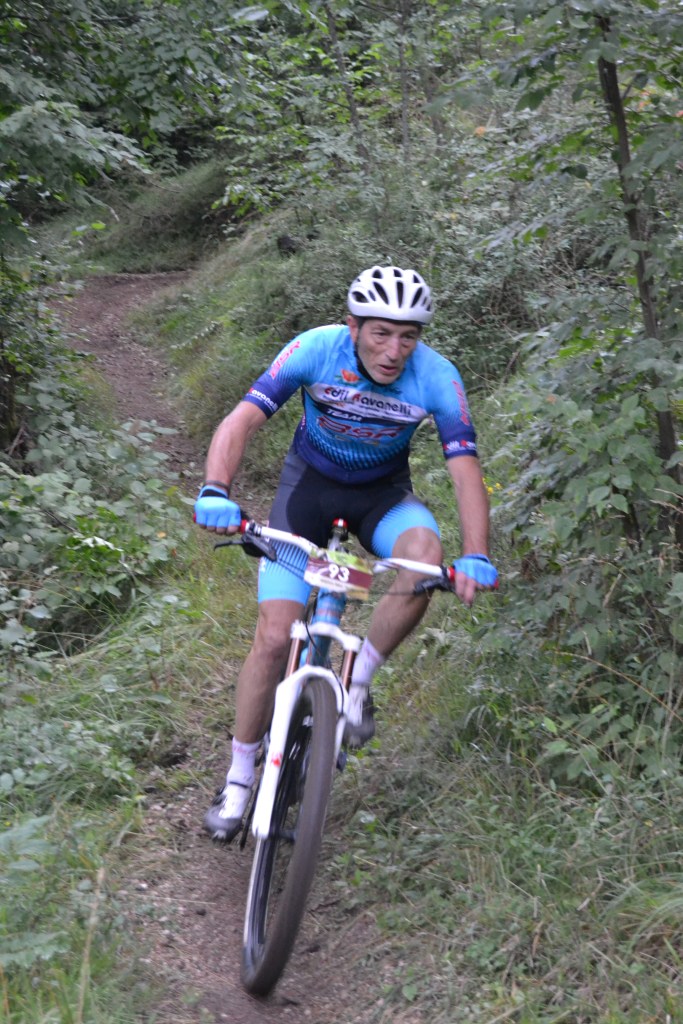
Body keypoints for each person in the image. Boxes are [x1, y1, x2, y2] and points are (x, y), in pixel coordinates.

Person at [194, 264, 498, 841]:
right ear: (353, 326)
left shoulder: (437, 377)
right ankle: (238, 777)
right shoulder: (315, 349)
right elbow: (242, 420)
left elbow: (465, 469)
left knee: (424, 555)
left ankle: (356, 683)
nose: (394, 351)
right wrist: (215, 488)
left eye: (408, 337)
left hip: (381, 499)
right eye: (381, 333)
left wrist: (476, 553)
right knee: (275, 637)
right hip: (307, 493)